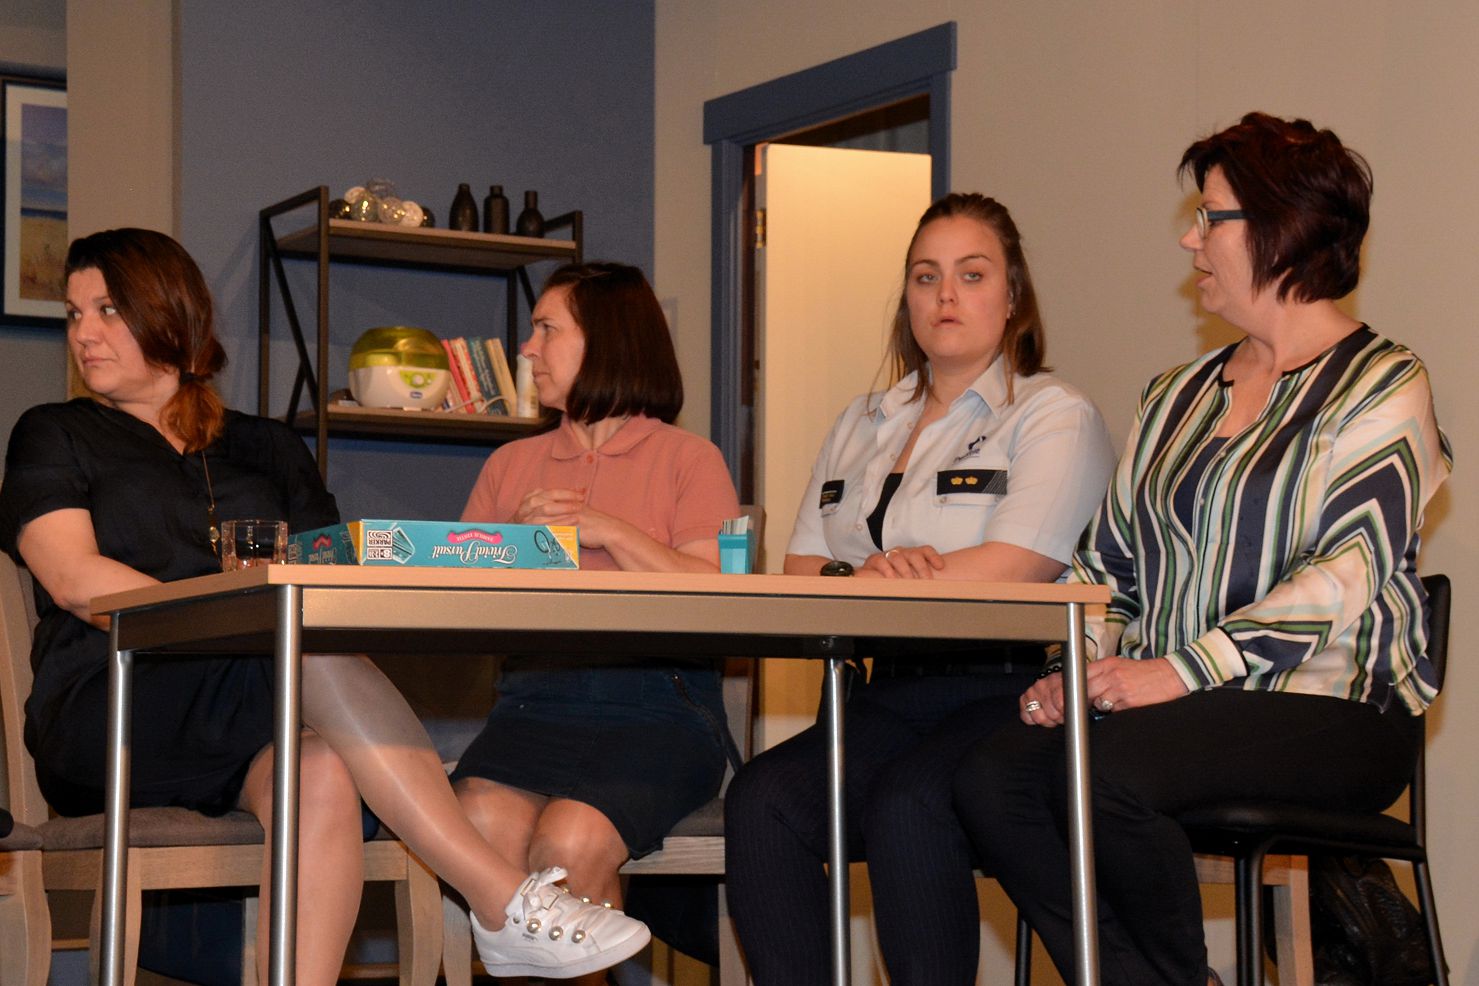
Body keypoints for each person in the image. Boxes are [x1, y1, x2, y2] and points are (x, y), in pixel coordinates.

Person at [0, 228, 651, 984]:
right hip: (110, 708)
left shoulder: (267, 448)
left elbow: (327, 578)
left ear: (169, 313)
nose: (83, 332)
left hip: (253, 702)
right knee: (304, 645)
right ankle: (499, 900)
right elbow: (77, 581)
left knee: (322, 768)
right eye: (74, 313)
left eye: (107, 310)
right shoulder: (54, 433)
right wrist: (240, 617)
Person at [954, 113, 1453, 986]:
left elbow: (1343, 573)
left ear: (1280, 228)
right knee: (991, 781)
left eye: (1208, 217)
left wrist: (1180, 670)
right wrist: (1078, 666)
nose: (1189, 240)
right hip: (1173, 705)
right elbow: (1106, 566)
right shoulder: (1174, 395)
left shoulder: (1384, 383)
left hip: (1331, 707)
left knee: (1103, 778)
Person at [724, 193, 1116, 984]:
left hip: (1007, 694)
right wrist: (865, 577)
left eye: (972, 275)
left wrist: (878, 580)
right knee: (762, 801)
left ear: (1012, 296)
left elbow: (1019, 564)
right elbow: (800, 570)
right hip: (884, 694)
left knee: (907, 806)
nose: (945, 296)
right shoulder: (860, 420)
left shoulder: (1052, 414)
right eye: (925, 276)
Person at [451, 262, 741, 970]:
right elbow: (452, 602)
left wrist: (610, 531)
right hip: (532, 704)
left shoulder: (689, 459)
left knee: (570, 840)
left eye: (546, 329)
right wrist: (506, 548)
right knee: (480, 822)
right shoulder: (509, 465)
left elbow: (720, 594)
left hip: (658, 708)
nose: (527, 348)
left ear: (608, 340)